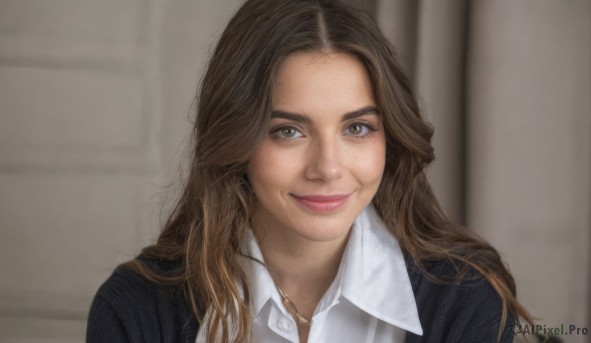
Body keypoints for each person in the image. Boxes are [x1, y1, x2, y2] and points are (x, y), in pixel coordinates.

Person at [87, 0, 532, 342]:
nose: (328, 168)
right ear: (235, 139)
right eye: (288, 131)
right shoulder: (136, 308)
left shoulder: (468, 298)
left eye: (357, 128)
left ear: (390, 137)